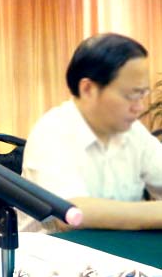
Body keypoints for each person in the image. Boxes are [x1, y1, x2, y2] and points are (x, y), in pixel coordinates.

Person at [20, 33, 162, 233]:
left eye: (143, 94)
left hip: (115, 247)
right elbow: (72, 213)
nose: (139, 107)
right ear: (88, 89)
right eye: (131, 95)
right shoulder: (52, 131)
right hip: (52, 250)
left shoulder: (132, 131)